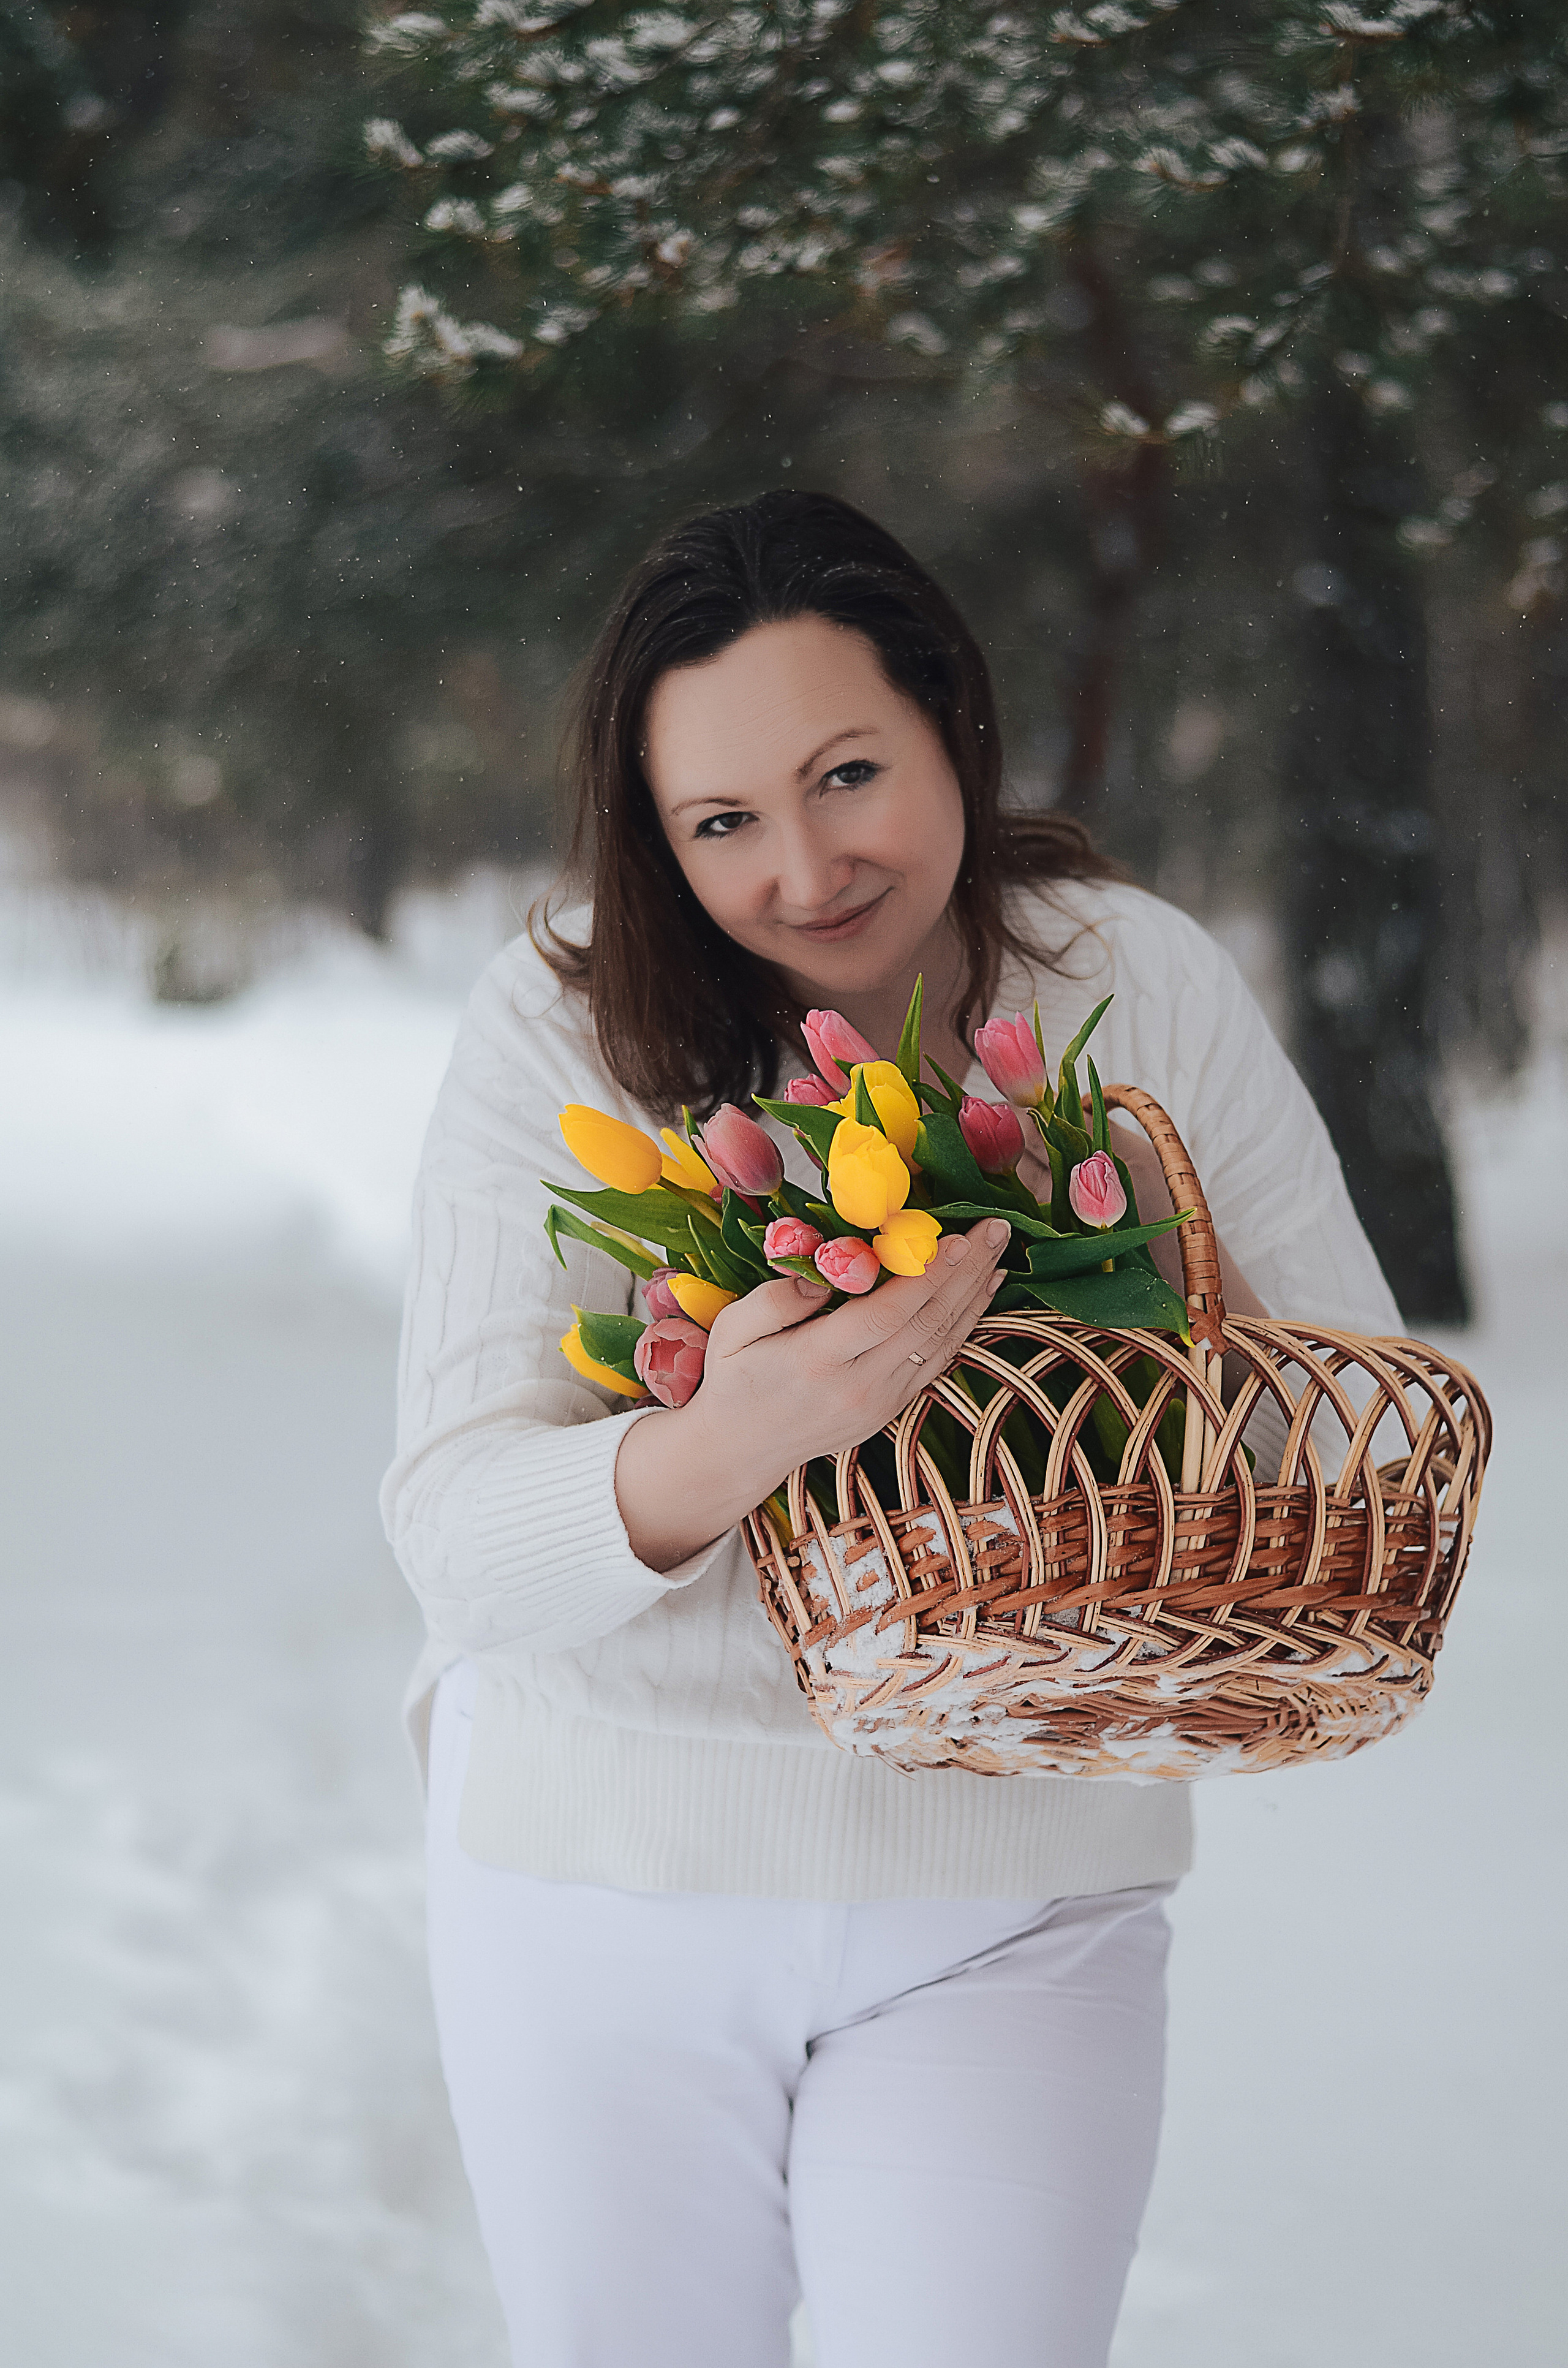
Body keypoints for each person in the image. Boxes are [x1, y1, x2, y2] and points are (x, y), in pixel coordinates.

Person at [380, 490, 1399, 2367]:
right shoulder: (560, 1029)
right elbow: (455, 1532)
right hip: (605, 1876)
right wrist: (740, 1430)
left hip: (1018, 1890)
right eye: (722, 822)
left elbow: (1351, 1424)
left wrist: (1160, 1331)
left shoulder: (1132, 975)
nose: (804, 868)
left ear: (953, 723)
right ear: (655, 834)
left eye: (850, 771)